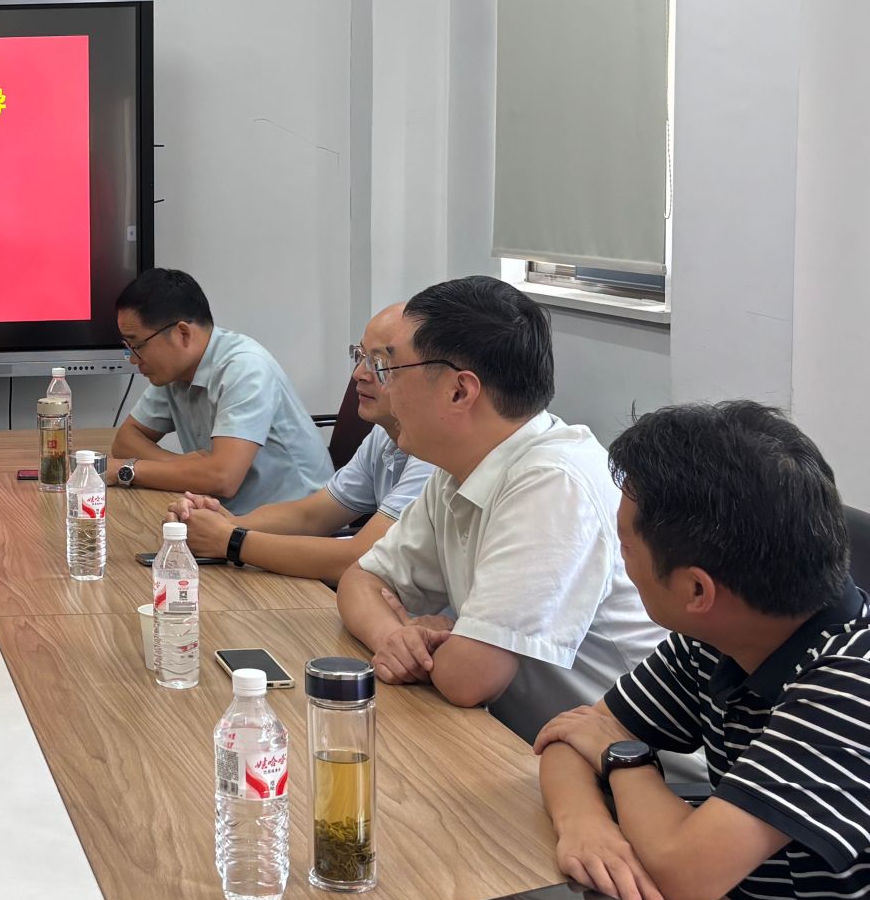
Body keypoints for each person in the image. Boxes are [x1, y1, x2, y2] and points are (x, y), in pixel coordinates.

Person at [531, 402, 870, 900]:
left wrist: (624, 756)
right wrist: (583, 826)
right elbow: (570, 735)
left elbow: (687, 869)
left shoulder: (851, 681)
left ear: (696, 589)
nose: (623, 562)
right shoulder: (718, 638)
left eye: (626, 548)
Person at [336, 275, 664, 744]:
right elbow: (360, 581)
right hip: (522, 744)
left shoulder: (555, 483)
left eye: (390, 368)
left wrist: (439, 639)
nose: (381, 385)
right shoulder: (458, 468)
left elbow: (470, 678)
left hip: (633, 769)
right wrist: (397, 637)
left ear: (459, 391)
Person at [172, 303, 433, 584]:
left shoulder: (433, 454)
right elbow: (311, 516)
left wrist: (229, 540)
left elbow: (359, 558)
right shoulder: (384, 434)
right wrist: (215, 525)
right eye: (359, 356)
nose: (358, 374)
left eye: (378, 363)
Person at [106, 267, 332, 511]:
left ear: (182, 334)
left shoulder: (244, 367)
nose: (133, 359)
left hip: (296, 518)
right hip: (227, 514)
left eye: (137, 345)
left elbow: (222, 479)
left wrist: (125, 470)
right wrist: (188, 466)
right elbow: (125, 441)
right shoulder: (174, 371)